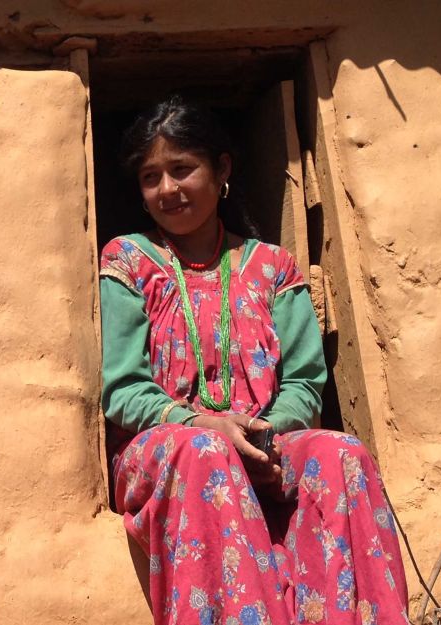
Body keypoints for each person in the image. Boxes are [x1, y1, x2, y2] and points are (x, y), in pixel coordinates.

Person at [100, 96, 408, 625]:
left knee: (341, 452)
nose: (167, 190)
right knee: (204, 451)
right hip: (167, 450)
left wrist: (261, 438)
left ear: (221, 169)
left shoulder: (273, 267)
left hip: (266, 445)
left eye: (182, 169)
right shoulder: (128, 260)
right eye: (151, 177)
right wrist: (203, 423)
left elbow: (306, 385)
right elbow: (123, 388)